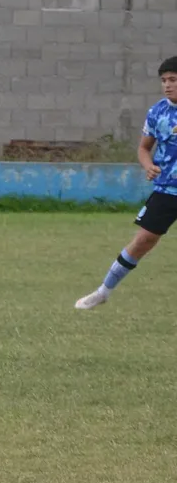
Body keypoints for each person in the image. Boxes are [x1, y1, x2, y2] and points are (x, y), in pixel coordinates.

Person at [74, 56, 177, 310]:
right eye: (164, 80)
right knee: (143, 240)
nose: (167, 85)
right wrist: (148, 165)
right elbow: (144, 148)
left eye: (173, 79)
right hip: (168, 190)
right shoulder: (157, 112)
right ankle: (103, 291)